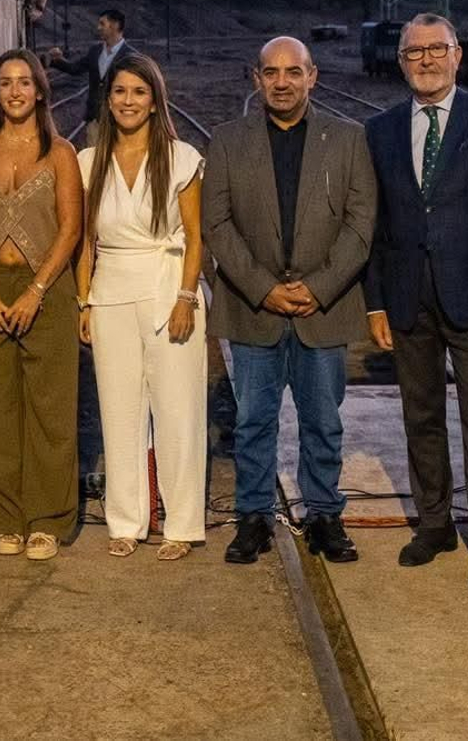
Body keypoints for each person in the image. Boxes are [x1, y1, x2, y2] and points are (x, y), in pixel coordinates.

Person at [362, 13, 468, 592]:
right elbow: (376, 224)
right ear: (402, 61)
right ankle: (433, 524)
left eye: (438, 49)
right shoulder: (381, 130)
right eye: (415, 52)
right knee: (421, 417)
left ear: (458, 55)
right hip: (409, 301)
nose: (427, 60)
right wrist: (376, 304)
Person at [203, 37, 377, 565]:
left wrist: (318, 287)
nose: (282, 82)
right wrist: (264, 288)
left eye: (293, 72)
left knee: (323, 419)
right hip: (254, 308)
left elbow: (360, 223)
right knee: (254, 419)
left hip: (324, 307)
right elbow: (216, 223)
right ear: (256, 78)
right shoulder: (228, 141)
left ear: (312, 76)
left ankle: (325, 514)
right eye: (271, 72)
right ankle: (254, 517)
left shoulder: (348, 139)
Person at [77, 53, 208, 560]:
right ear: (108, 101)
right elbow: (85, 242)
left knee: (177, 410)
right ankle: (127, 521)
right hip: (110, 290)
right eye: (119, 92)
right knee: (120, 409)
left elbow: (196, 238)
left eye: (138, 92)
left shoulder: (180, 157)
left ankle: (180, 524)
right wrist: (84, 302)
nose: (127, 101)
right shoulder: (88, 162)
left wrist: (185, 296)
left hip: (167, 284)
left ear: (155, 102)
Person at [0, 49, 82, 560]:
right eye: (5, 83)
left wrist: (35, 291)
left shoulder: (61, 152)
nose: (14, 91)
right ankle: (7, 517)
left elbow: (71, 228)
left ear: (40, 90)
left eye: (24, 82)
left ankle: (47, 519)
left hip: (45, 291)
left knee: (50, 409)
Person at [47, 8, 136, 139]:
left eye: (102, 24)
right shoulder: (95, 51)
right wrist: (55, 60)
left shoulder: (131, 57)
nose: (98, 27)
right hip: (95, 120)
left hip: (119, 123)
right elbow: (75, 68)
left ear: (115, 25)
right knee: (93, 157)